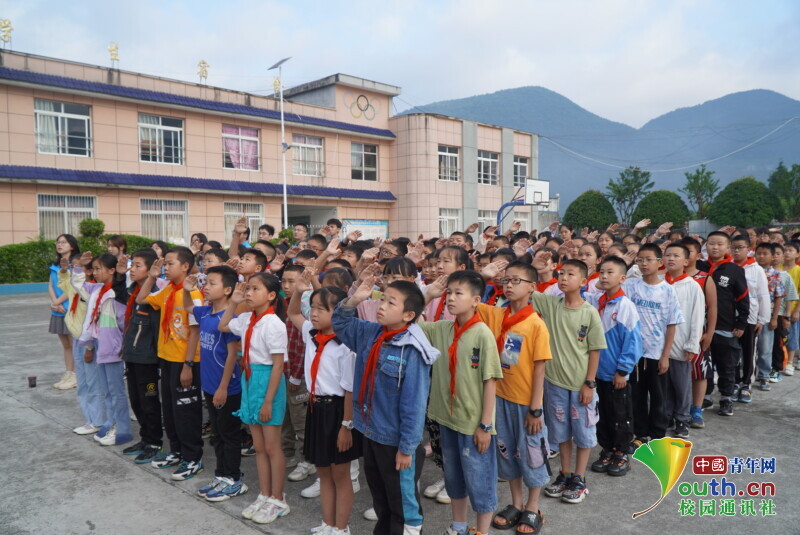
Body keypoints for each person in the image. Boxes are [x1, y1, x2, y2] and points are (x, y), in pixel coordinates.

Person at [334, 279, 439, 535]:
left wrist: (406, 449)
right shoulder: (372, 333)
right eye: (382, 299)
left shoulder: (412, 350)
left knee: (403, 508)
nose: (381, 306)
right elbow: (340, 323)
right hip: (372, 432)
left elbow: (414, 405)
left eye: (391, 303)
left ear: (408, 315)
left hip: (395, 441)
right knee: (381, 501)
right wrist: (354, 299)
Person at [419, 271, 503, 535]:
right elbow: (411, 322)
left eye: (459, 293)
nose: (451, 298)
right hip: (446, 419)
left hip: (472, 422)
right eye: (449, 293)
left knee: (480, 479)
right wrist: (427, 296)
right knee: (453, 476)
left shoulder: (482, 334)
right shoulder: (443, 329)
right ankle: (458, 525)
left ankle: (482, 531)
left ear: (476, 300)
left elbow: (490, 381)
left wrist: (485, 425)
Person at [472, 260, 553, 533]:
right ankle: (517, 503)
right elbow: (470, 300)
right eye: (506, 280)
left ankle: (533, 506)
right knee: (507, 452)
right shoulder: (498, 314)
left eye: (516, 280)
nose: (509, 285)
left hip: (525, 403)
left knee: (532, 453)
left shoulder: (535, 324)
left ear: (532, 287)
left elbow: (540, 369)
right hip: (500, 398)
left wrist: (536, 409)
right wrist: (483, 277)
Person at [288, 278, 361, 535]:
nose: (314, 313)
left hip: (338, 411)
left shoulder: (346, 346)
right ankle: (328, 524)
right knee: (323, 472)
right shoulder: (311, 333)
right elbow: (293, 313)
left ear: (339, 313)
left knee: (340, 475)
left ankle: (342, 528)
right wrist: (298, 291)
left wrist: (346, 426)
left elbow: (350, 390)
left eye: (322, 309)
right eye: (313, 307)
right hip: (315, 408)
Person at [532, 259, 606, 505]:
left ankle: (579, 479)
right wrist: (534, 265)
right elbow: (527, 289)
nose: (563, 278)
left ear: (584, 281)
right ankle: (564, 474)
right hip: (555, 384)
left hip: (580, 386)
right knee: (561, 433)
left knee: (583, 433)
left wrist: (589, 383)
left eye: (570, 274)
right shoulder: (551, 303)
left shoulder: (589, 312)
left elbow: (595, 350)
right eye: (561, 273)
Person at [219, 274, 290, 524]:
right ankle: (264, 494)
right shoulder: (247, 318)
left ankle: (278, 499)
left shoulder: (274, 324)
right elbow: (223, 326)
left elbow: (278, 365)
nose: (248, 293)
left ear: (271, 295)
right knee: (259, 446)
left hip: (267, 381)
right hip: (249, 379)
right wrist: (233, 302)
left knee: (271, 447)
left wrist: (268, 401)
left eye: (255, 289)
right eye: (247, 288)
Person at [136, 246, 205, 480]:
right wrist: (152, 277)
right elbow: (141, 299)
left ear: (185, 266)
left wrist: (188, 365)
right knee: (171, 410)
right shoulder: (167, 290)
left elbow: (195, 332)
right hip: (166, 358)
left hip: (184, 361)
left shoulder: (192, 294)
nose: (165, 267)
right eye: (164, 263)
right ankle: (177, 450)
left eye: (170, 263)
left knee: (187, 411)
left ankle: (193, 458)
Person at [183, 266, 249, 502]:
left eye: (212, 283)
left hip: (226, 388)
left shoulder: (230, 319)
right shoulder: (205, 312)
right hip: (210, 385)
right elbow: (188, 307)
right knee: (218, 434)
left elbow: (232, 355)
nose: (206, 287)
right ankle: (221, 474)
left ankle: (234, 479)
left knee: (229, 434)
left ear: (228, 290)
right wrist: (186, 290)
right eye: (206, 282)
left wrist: (223, 388)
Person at [586, 256, 642, 477]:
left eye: (610, 272)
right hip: (597, 373)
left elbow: (633, 343)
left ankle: (621, 453)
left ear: (622, 278)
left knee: (620, 414)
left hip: (615, 374)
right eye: (601, 272)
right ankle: (607, 449)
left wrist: (622, 371)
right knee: (602, 414)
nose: (604, 276)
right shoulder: (595, 301)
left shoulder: (625, 306)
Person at [623, 244, 684, 442]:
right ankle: (640, 433)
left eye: (648, 259)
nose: (644, 264)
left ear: (660, 262)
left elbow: (671, 324)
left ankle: (657, 434)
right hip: (634, 353)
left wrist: (665, 356)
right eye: (640, 260)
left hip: (656, 353)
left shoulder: (667, 290)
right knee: (637, 395)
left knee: (658, 396)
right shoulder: (630, 285)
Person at [75, 253, 132, 447]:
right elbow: (79, 285)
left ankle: (122, 430)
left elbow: (124, 320)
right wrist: (80, 267)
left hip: (113, 346)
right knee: (107, 390)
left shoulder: (117, 293)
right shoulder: (97, 289)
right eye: (94, 269)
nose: (95, 272)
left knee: (116, 391)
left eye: (99, 269)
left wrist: (123, 345)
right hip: (101, 343)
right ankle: (111, 422)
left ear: (111, 270)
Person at [120, 248, 167, 464]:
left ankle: (154, 442)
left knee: (149, 400)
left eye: (138, 266)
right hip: (133, 356)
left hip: (147, 360)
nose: (132, 269)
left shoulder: (154, 295)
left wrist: (157, 359)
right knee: (137, 401)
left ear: (151, 270)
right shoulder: (133, 291)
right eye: (133, 265)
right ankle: (145, 438)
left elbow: (156, 329)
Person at [698, 232, 750, 417]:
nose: (715, 247)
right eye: (711, 243)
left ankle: (726, 398)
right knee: (705, 363)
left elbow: (743, 298)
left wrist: (741, 323)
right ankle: (706, 396)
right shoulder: (699, 267)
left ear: (728, 248)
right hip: (701, 326)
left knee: (726, 364)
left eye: (720, 244)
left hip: (725, 325)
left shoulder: (734, 270)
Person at [58, 253, 104, 435]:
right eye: (73, 268)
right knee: (83, 383)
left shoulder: (91, 290)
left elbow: (92, 320)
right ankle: (90, 418)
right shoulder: (75, 286)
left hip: (88, 340)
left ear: (89, 271)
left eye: (78, 268)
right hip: (78, 338)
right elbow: (64, 283)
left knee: (93, 383)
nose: (74, 271)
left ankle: (98, 420)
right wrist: (63, 271)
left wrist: (90, 346)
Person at [662, 244, 705, 437]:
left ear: (686, 261)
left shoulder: (692, 286)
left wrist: (692, 344)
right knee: (664, 385)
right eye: (668, 255)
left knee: (681, 385)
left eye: (676, 256)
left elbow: (697, 317)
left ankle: (682, 419)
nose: (671, 258)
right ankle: (667, 416)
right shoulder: (659, 282)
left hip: (681, 343)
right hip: (659, 345)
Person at [680, 237, 717, 429]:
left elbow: (712, 308)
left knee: (699, 372)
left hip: (697, 332)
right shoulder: (667, 278)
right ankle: (678, 410)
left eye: (689, 251)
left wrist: (709, 333)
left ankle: (696, 409)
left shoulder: (704, 278)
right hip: (674, 333)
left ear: (697, 255)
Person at [280, 265, 313, 479]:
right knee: (286, 417)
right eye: (283, 281)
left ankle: (307, 460)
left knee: (301, 421)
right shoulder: (285, 304)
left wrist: (295, 375)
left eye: (291, 281)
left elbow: (302, 347)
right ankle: (287, 454)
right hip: (286, 369)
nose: (286, 285)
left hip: (298, 374)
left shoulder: (306, 307)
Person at [730, 234, 769, 402]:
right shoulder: (728, 267)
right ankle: (734, 382)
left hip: (750, 318)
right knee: (731, 352)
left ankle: (746, 384)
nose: (736, 251)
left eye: (740, 248)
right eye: (733, 248)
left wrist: (762, 319)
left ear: (748, 249)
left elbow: (763, 295)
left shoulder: (756, 269)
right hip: (730, 317)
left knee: (748, 352)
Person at [754, 243, 786, 391]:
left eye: (765, 254)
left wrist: (774, 318)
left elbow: (779, 297)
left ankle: (764, 376)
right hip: (751, 315)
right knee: (747, 348)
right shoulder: (751, 272)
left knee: (765, 348)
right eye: (758, 253)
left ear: (773, 256)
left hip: (767, 316)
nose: (761, 256)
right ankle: (747, 375)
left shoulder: (776, 275)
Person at [50, 234, 80, 390]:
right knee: (66, 345)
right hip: (57, 310)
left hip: (70, 309)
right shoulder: (54, 266)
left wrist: (56, 302)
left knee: (74, 344)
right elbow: (51, 286)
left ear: (72, 246)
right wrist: (54, 303)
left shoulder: (75, 264)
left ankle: (76, 375)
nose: (59, 245)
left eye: (63, 242)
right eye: (58, 242)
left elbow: (73, 286)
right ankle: (68, 373)